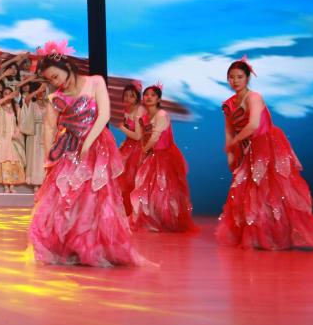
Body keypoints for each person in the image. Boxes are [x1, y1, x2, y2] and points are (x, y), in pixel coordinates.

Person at [29, 45, 148, 267]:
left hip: (96, 148)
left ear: (66, 66)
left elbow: (104, 115)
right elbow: (48, 127)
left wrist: (88, 143)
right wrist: (49, 157)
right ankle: (69, 248)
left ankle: (93, 247)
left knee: (95, 197)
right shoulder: (56, 97)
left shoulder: (95, 82)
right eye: (51, 79)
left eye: (55, 76)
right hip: (69, 149)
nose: (55, 82)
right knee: (67, 198)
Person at [215, 59, 313, 250]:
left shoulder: (254, 97)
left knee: (272, 190)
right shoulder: (228, 104)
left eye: (239, 77)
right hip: (247, 147)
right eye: (231, 77)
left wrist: (235, 142)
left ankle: (277, 234)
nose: (235, 81)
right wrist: (231, 152)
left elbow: (254, 125)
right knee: (248, 191)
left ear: (247, 78)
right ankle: (258, 234)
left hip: (266, 144)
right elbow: (229, 130)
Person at [130, 85, 196, 232]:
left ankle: (167, 220)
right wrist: (144, 152)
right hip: (151, 155)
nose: (149, 97)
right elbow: (143, 137)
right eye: (146, 94)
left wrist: (145, 150)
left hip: (164, 156)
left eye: (153, 95)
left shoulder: (162, 115)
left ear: (159, 99)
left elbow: (155, 137)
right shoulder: (143, 117)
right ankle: (152, 220)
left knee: (164, 189)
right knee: (146, 187)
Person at [0, 87, 27, 194]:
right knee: (4, 161)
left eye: (9, 93)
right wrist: (8, 97)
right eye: (5, 93)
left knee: (12, 161)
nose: (8, 95)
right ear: (2, 95)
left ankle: (12, 185)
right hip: (1, 138)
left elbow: (20, 122)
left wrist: (17, 133)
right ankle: (6, 186)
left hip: (13, 138)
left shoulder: (16, 107)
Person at [115, 84, 144, 216]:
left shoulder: (139, 111)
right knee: (121, 179)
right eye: (126, 95)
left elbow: (138, 136)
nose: (128, 98)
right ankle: (125, 212)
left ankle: (134, 213)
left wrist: (121, 127)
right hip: (129, 146)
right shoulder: (126, 110)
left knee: (132, 181)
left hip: (137, 149)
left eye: (131, 96)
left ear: (137, 97)